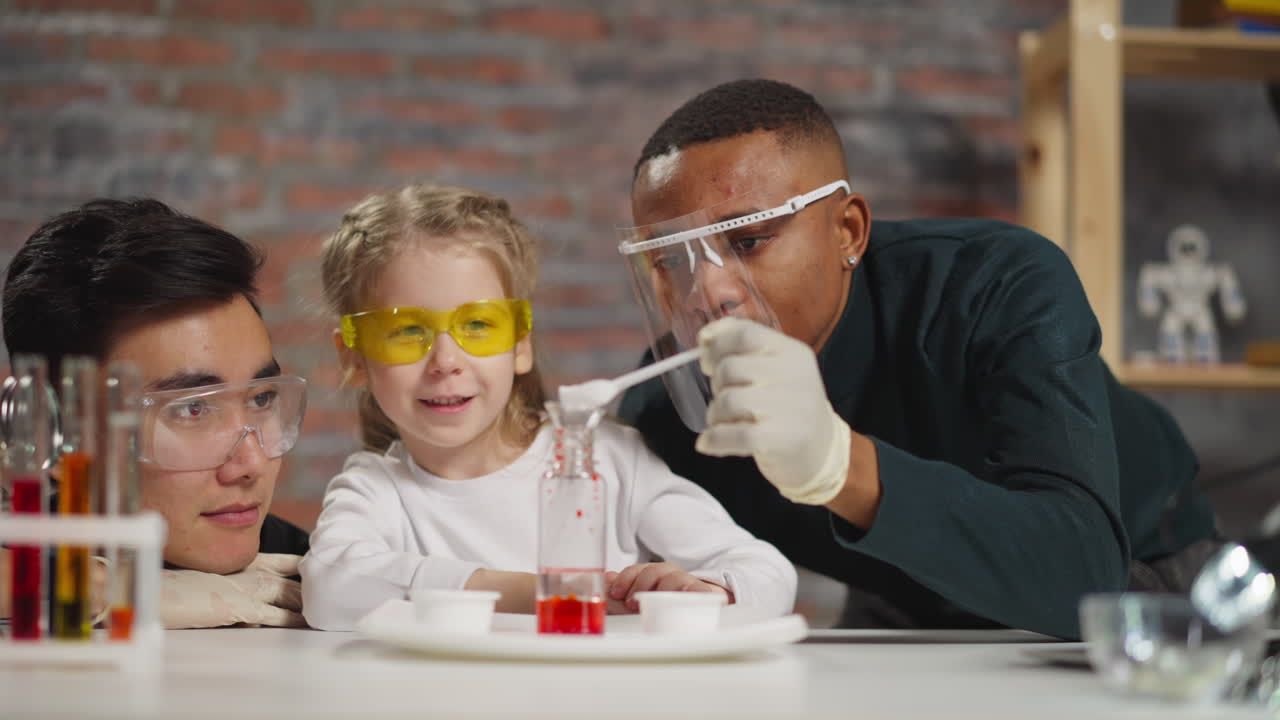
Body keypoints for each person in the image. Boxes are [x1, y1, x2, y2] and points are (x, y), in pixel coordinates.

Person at [616, 79, 1220, 640]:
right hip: (905, 589)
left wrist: (838, 466)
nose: (707, 292)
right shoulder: (669, 407)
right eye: (670, 261)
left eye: (748, 241)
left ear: (849, 231)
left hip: (1136, 565)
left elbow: (1083, 571)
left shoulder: (997, 285)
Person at [300, 183, 796, 630]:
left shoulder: (610, 460)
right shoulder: (375, 491)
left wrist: (707, 593)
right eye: (406, 331)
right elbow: (329, 587)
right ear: (355, 357)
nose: (445, 361)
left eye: (479, 325)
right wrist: (551, 594)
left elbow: (767, 575)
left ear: (520, 343)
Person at [1, 198, 310, 628]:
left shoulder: (306, 571)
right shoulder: (19, 546)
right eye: (193, 408)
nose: (251, 464)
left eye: (260, 399)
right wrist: (107, 589)